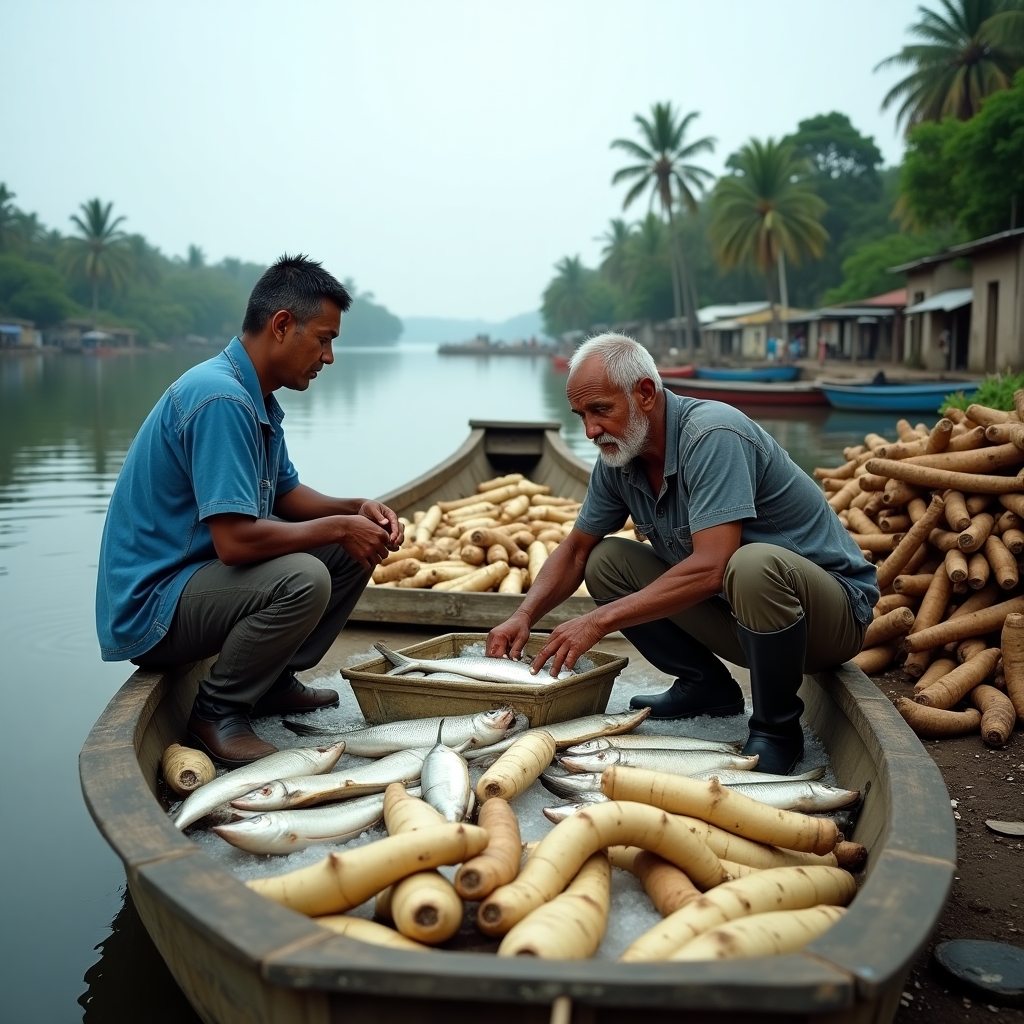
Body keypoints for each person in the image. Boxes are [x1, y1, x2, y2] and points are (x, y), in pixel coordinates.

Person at [486, 333, 878, 774]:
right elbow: (577, 550)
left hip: (826, 620)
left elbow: (712, 567)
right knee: (606, 561)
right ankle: (705, 685)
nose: (591, 430)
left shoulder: (712, 435)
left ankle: (776, 729)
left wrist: (597, 621)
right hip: (741, 617)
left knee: (750, 564)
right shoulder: (620, 456)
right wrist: (524, 614)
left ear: (645, 394)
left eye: (601, 411)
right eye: (581, 415)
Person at [96, 255, 402, 766]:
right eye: (324, 339)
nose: (328, 357)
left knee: (349, 549)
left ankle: (271, 679)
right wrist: (338, 526)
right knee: (304, 577)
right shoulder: (220, 397)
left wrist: (356, 510)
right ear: (282, 325)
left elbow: (287, 495)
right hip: (155, 607)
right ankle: (216, 713)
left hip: (197, 581)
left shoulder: (254, 394)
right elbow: (235, 543)